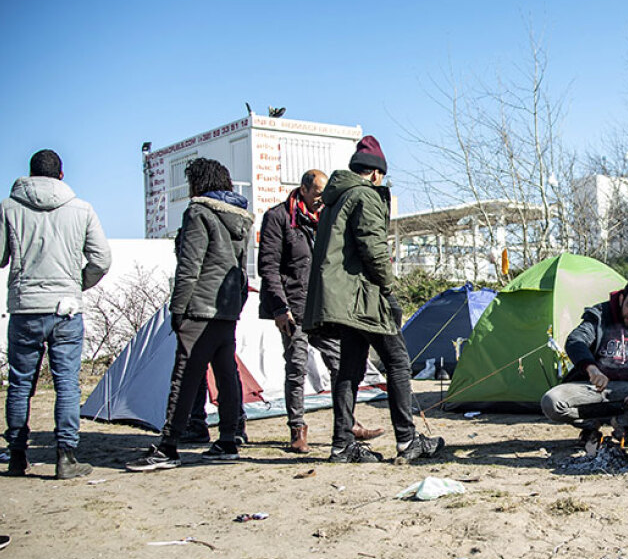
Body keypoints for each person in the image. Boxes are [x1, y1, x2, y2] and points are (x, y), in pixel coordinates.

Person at [303, 135, 444, 463]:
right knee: (396, 360)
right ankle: (408, 442)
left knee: (350, 369)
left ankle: (341, 445)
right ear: (377, 173)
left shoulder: (335, 199)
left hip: (344, 300)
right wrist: (389, 289)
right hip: (364, 297)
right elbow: (374, 250)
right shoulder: (364, 196)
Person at [0, 149, 111, 479]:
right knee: (67, 385)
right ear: (61, 176)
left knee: (20, 385)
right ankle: (66, 457)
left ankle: (16, 456)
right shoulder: (82, 209)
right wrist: (76, 285)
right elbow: (102, 260)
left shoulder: (8, 207)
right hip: (66, 309)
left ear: (29, 174)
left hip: (25, 309)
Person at [126, 158, 253, 471]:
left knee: (184, 375)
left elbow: (189, 267)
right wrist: (234, 307)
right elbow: (241, 271)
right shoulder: (240, 219)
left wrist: (177, 309)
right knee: (226, 374)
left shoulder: (197, 213)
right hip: (226, 311)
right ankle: (228, 439)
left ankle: (168, 446)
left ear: (198, 184)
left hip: (199, 308)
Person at [258, 169, 383, 453]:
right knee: (297, 367)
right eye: (317, 194)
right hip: (293, 307)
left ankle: (347, 422)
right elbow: (268, 266)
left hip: (323, 308)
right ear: (302, 189)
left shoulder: (325, 218)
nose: (321, 199)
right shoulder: (279, 218)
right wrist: (279, 307)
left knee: (341, 364)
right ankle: (297, 429)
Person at [540, 278, 628, 444]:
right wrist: (592, 369)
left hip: (627, 390)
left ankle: (623, 425)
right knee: (551, 402)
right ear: (621, 299)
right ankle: (591, 424)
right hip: (591, 388)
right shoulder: (600, 315)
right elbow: (575, 341)